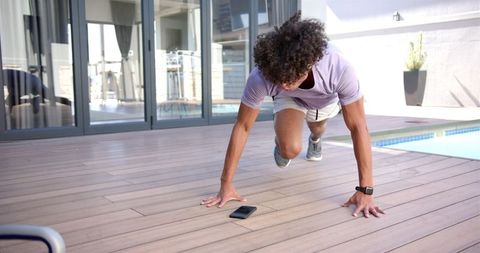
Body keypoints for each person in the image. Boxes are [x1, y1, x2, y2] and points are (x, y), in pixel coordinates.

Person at [201, 12, 384, 218]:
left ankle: (315, 139)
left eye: (291, 79)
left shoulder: (338, 68)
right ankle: (282, 143)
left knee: (317, 127)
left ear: (310, 63)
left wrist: (365, 191)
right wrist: (226, 184)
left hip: (325, 101)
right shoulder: (263, 75)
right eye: (280, 80)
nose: (285, 85)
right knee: (290, 149)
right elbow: (242, 126)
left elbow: (358, 126)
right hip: (291, 101)